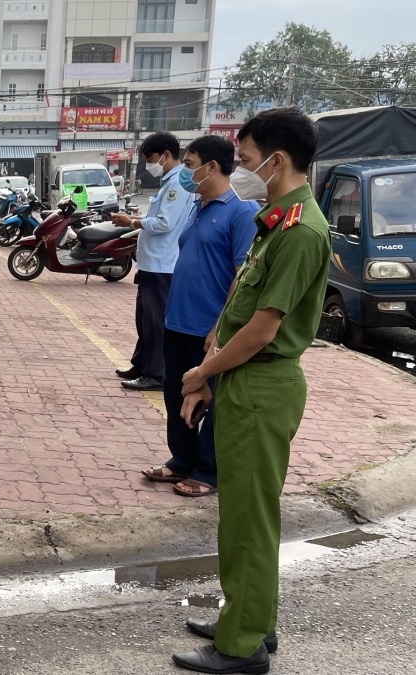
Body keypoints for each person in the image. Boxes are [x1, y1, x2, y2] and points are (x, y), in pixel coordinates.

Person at [172, 108, 331, 674]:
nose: (241, 169)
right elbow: (241, 306)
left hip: (262, 384)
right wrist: (216, 357)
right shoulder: (276, 218)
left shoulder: (301, 231)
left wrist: (201, 373)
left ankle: (241, 647)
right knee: (243, 514)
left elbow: (264, 329)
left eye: (244, 160)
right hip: (246, 379)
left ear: (277, 160)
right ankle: (252, 619)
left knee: (249, 518)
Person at [141, 135, 258, 498]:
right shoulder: (199, 206)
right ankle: (181, 460)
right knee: (176, 394)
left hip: (209, 329)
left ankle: (208, 471)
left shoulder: (242, 211)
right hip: (178, 321)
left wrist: (219, 327)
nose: (186, 173)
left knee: (211, 399)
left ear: (212, 167)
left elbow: (241, 276)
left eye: (190, 166)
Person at [111, 132, 194, 391]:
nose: (150, 165)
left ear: (166, 156)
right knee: (145, 319)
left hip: (163, 264)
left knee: (156, 322)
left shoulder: (178, 183)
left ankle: (156, 374)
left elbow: (164, 223)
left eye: (151, 159)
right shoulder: (169, 182)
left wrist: (132, 222)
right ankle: (142, 363)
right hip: (152, 263)